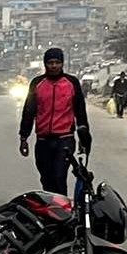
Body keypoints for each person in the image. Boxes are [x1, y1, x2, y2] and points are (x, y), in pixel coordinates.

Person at [17, 47, 91, 196]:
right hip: (43, 141)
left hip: (64, 140)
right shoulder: (37, 83)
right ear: (45, 64)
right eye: (50, 62)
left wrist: (84, 138)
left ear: (62, 64)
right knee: (46, 179)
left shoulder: (71, 82)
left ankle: (62, 212)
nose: (54, 66)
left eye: (57, 62)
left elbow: (80, 111)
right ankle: (51, 212)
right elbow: (29, 111)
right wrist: (23, 137)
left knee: (59, 177)